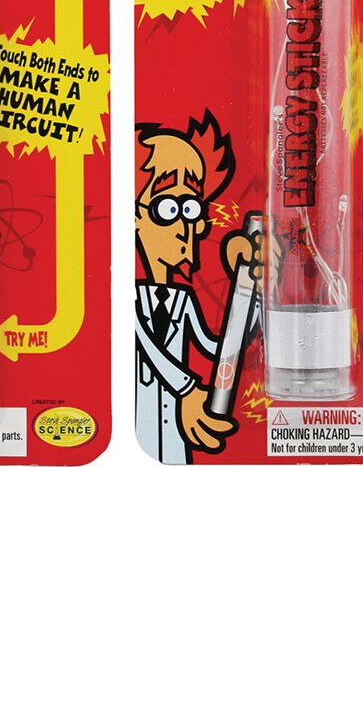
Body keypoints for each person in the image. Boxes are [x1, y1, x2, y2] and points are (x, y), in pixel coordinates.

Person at [134, 111, 262, 463]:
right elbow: (144, 341)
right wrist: (187, 390)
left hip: (175, 439)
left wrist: (249, 289)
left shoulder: (182, 299)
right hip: (140, 427)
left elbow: (217, 347)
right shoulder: (127, 299)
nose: (184, 227)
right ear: (135, 216)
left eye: (190, 208)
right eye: (167, 208)